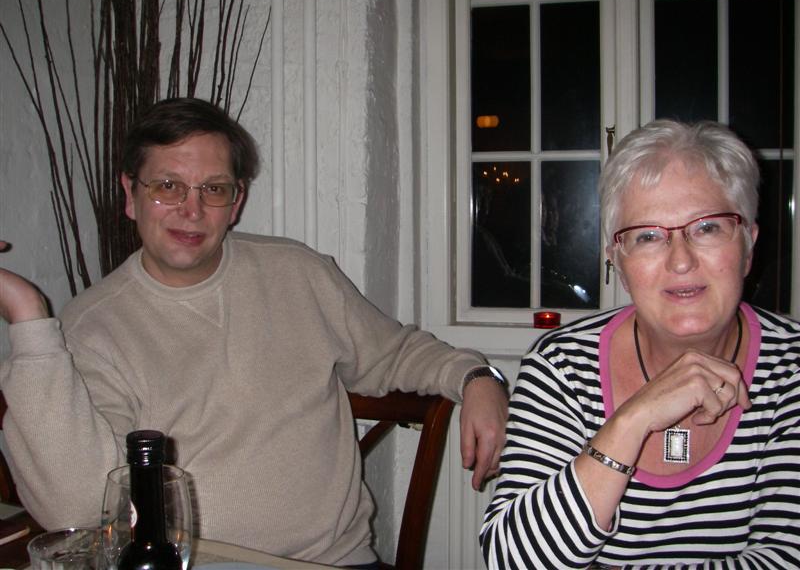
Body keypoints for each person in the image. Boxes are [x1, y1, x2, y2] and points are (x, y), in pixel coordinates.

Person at [0, 97, 509, 567]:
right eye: (167, 186)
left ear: (237, 201)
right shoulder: (93, 327)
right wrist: (27, 315)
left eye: (213, 189)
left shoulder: (298, 273)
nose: (192, 210)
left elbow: (393, 354)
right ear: (130, 195)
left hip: (333, 562)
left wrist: (477, 377)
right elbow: (77, 507)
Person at [480, 120, 799, 567]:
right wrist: (633, 420)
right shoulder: (561, 365)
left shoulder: (791, 370)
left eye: (707, 228)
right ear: (617, 262)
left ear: (748, 245)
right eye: (648, 236)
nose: (681, 260)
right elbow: (513, 559)